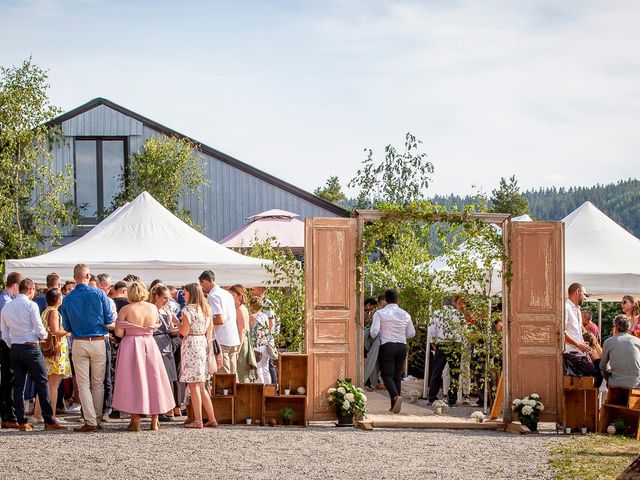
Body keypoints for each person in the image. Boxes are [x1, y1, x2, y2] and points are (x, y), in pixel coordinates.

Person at [0, 278, 66, 431]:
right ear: (30, 290)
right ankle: (49, 420)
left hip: (15, 347)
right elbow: (38, 328)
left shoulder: (7, 308)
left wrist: (13, 343)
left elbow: (4, 334)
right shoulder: (31, 305)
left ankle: (22, 421)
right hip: (31, 347)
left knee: (18, 385)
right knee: (42, 383)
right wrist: (43, 337)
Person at [112, 281, 175, 431]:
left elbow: (119, 333)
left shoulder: (126, 309)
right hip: (149, 343)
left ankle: (135, 420)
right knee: (153, 378)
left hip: (131, 345)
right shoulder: (153, 308)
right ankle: (155, 418)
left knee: (133, 380)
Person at [60, 264, 114, 432]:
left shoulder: (68, 298)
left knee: (83, 383)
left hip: (79, 341)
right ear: (88, 276)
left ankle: (90, 419)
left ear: (75, 277)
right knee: (98, 382)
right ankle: (96, 417)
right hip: (98, 340)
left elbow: (67, 326)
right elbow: (109, 318)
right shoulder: (99, 294)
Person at [370, 289, 415, 414]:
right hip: (402, 346)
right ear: (398, 300)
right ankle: (394, 405)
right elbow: (411, 333)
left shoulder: (380, 313)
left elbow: (373, 332)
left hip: (387, 345)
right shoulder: (406, 314)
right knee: (396, 376)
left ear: (385, 300)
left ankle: (395, 396)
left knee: (386, 375)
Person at [179, 283, 217, 428]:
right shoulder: (206, 309)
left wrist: (178, 324)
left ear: (191, 294)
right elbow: (209, 333)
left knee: (194, 385)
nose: (183, 295)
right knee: (201, 385)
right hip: (202, 343)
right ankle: (212, 418)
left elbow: (184, 332)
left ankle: (198, 420)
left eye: (185, 293)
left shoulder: (188, 310)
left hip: (192, 344)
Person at [32, 289, 70, 423]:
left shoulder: (45, 311)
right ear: (58, 299)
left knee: (46, 384)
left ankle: (37, 415)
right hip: (56, 350)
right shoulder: (53, 312)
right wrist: (69, 331)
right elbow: (55, 331)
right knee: (54, 384)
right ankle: (52, 415)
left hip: (49, 350)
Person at [199, 270, 240, 375]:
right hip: (233, 338)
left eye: (201, 285)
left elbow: (219, 319)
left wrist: (203, 321)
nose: (202, 288)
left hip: (222, 339)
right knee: (233, 374)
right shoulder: (227, 294)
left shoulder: (213, 296)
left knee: (224, 376)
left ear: (205, 282)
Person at [149, 285, 180, 420]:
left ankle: (168, 408)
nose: (167, 300)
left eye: (169, 298)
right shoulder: (152, 310)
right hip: (156, 342)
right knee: (159, 376)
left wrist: (176, 328)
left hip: (167, 343)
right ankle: (159, 409)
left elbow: (174, 325)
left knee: (169, 377)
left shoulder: (166, 310)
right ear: (157, 297)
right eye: (165, 298)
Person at [428, 296, 465, 407]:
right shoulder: (459, 314)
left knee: (437, 372)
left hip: (442, 344)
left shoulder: (437, 313)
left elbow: (431, 330)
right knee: (454, 373)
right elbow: (464, 330)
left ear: (442, 302)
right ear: (453, 303)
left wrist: (433, 342)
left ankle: (432, 397)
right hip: (455, 344)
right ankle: (452, 399)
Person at [0, 271, 22, 429]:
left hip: (7, 341)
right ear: (15, 286)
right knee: (10, 379)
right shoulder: (6, 302)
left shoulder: (7, 300)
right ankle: (9, 416)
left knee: (9, 379)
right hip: (6, 342)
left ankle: (7, 415)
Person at [96, 273, 117, 422]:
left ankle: (105, 410)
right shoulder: (105, 300)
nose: (110, 289)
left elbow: (113, 323)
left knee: (105, 377)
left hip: (103, 338)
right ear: (102, 286)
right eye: (109, 286)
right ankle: (94, 411)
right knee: (97, 378)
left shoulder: (110, 302)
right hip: (101, 339)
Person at [563, 283, 596, 378]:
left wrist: (584, 346)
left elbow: (575, 333)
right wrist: (578, 345)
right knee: (596, 374)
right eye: (584, 294)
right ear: (577, 292)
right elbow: (562, 332)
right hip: (571, 354)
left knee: (597, 372)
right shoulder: (566, 308)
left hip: (578, 353)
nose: (585, 298)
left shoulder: (576, 309)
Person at [600, 315, 640, 388]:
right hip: (636, 384)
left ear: (616, 327)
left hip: (616, 383)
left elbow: (602, 366)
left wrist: (609, 377)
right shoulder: (637, 341)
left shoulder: (608, 342)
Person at [229, 285, 256, 383]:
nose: (230, 296)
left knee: (241, 372)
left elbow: (242, 331)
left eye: (232, 294)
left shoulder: (240, 308)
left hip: (241, 342)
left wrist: (237, 350)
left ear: (238, 295)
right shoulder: (238, 307)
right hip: (241, 341)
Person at [249, 296, 272, 384]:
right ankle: (268, 389)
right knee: (266, 369)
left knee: (258, 369)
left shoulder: (252, 317)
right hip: (265, 345)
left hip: (256, 346)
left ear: (252, 306)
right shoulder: (265, 316)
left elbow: (248, 330)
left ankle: (261, 389)